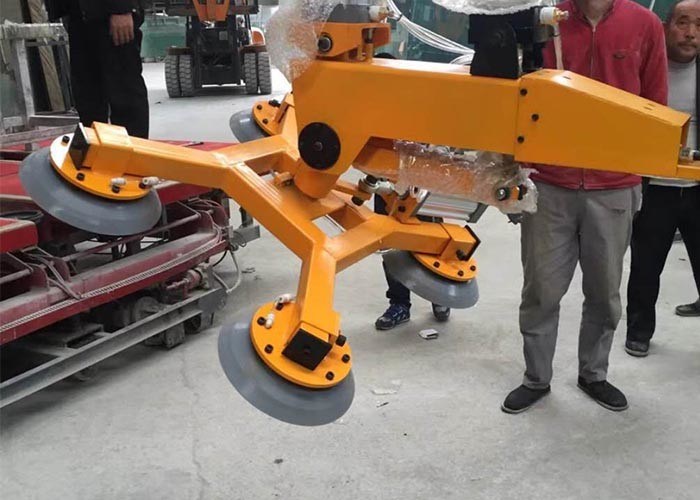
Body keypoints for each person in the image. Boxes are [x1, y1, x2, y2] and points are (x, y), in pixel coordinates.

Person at [502, 0, 668, 414]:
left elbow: (656, 103)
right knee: (541, 290)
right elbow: (516, 96)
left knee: (604, 292)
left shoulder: (645, 24)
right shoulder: (543, 20)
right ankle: (536, 378)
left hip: (614, 186)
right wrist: (515, 172)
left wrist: (640, 172)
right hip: (548, 184)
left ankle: (593, 373)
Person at [625, 0, 700, 356]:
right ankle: (639, 331)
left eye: (699, 26)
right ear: (665, 27)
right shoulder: (647, 70)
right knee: (645, 267)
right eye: (683, 23)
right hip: (655, 189)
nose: (691, 33)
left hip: (697, 189)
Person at [46, 0, 149, 138]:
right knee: (88, 100)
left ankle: (133, 150)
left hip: (110, 13)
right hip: (79, 13)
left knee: (124, 94)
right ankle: (97, 149)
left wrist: (122, 8)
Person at [373, 194, 451, 330]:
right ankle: (400, 304)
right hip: (387, 186)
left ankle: (438, 296)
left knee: (432, 240)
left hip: (423, 186)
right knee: (390, 244)